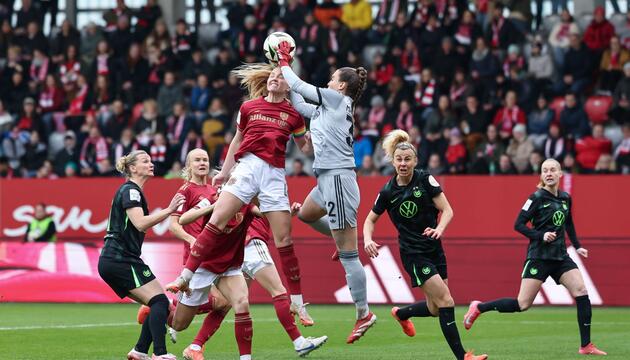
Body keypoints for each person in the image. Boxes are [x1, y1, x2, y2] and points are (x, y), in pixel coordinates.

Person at [166, 64, 315, 326]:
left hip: (274, 175)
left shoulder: (294, 116)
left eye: (280, 77)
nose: (274, 79)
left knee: (284, 239)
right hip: (246, 167)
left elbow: (304, 148)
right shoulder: (249, 107)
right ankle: (185, 277)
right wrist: (224, 173)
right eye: (272, 75)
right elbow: (237, 139)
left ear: (289, 86)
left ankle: (299, 304)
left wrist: (318, 136)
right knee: (216, 221)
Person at [276, 40, 376, 344]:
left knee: (349, 256)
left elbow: (301, 86)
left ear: (341, 86)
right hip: (326, 180)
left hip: (339, 180)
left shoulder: (335, 99)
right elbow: (298, 101)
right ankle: (340, 238)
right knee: (305, 214)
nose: (329, 81)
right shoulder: (327, 107)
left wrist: (284, 61)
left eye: (333, 77)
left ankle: (364, 313)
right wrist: (283, 76)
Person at [362, 130, 487, 360]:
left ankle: (401, 313)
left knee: (435, 308)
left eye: (407, 159)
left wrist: (440, 229)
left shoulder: (425, 179)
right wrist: (368, 239)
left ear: (415, 161)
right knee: (447, 301)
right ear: (393, 161)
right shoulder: (388, 191)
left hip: (434, 248)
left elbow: (447, 210)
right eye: (399, 159)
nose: (403, 163)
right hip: (413, 254)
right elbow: (370, 220)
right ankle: (463, 357)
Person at [463, 158, 607, 356]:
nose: (548, 173)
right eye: (545, 170)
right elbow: (518, 224)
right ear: (541, 175)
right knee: (522, 304)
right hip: (539, 256)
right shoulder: (536, 197)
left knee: (581, 290)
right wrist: (541, 235)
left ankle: (586, 345)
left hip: (560, 256)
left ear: (560, 174)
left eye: (552, 170)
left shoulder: (565, 198)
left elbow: (569, 223)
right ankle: (479, 307)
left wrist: (578, 246)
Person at [175, 197, 328, 359]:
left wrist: (289, 212)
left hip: (235, 253)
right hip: (250, 243)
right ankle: (299, 342)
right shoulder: (238, 191)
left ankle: (196, 345)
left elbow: (267, 215)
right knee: (278, 290)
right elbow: (184, 219)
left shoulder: (247, 199)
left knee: (233, 303)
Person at [97, 150, 184, 360]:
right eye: (145, 161)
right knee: (160, 302)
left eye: (151, 160)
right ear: (133, 168)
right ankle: (159, 354)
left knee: (158, 302)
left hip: (116, 259)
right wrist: (170, 210)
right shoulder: (131, 191)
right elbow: (140, 223)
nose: (151, 163)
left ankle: (140, 351)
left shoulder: (132, 191)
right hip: (120, 258)